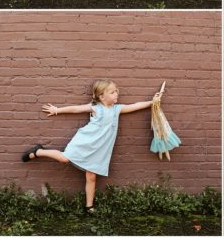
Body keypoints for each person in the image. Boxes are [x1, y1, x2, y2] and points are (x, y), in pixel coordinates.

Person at [21, 80, 160, 214]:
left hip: (99, 149)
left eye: (116, 91)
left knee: (92, 177)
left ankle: (89, 206)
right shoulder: (96, 108)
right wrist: (57, 110)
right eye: (112, 92)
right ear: (102, 96)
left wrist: (152, 102)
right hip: (85, 142)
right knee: (64, 159)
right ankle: (38, 151)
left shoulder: (117, 109)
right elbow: (76, 109)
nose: (116, 94)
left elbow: (135, 105)